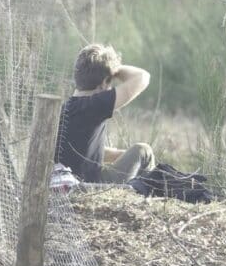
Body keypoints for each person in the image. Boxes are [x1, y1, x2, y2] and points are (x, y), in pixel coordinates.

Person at [54, 44, 155, 184]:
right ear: (104, 82)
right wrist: (115, 69)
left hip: (69, 184)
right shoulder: (95, 104)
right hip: (89, 186)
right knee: (143, 151)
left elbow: (84, 152)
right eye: (110, 82)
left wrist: (120, 155)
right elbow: (143, 77)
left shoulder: (66, 108)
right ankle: (149, 196)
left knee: (133, 153)